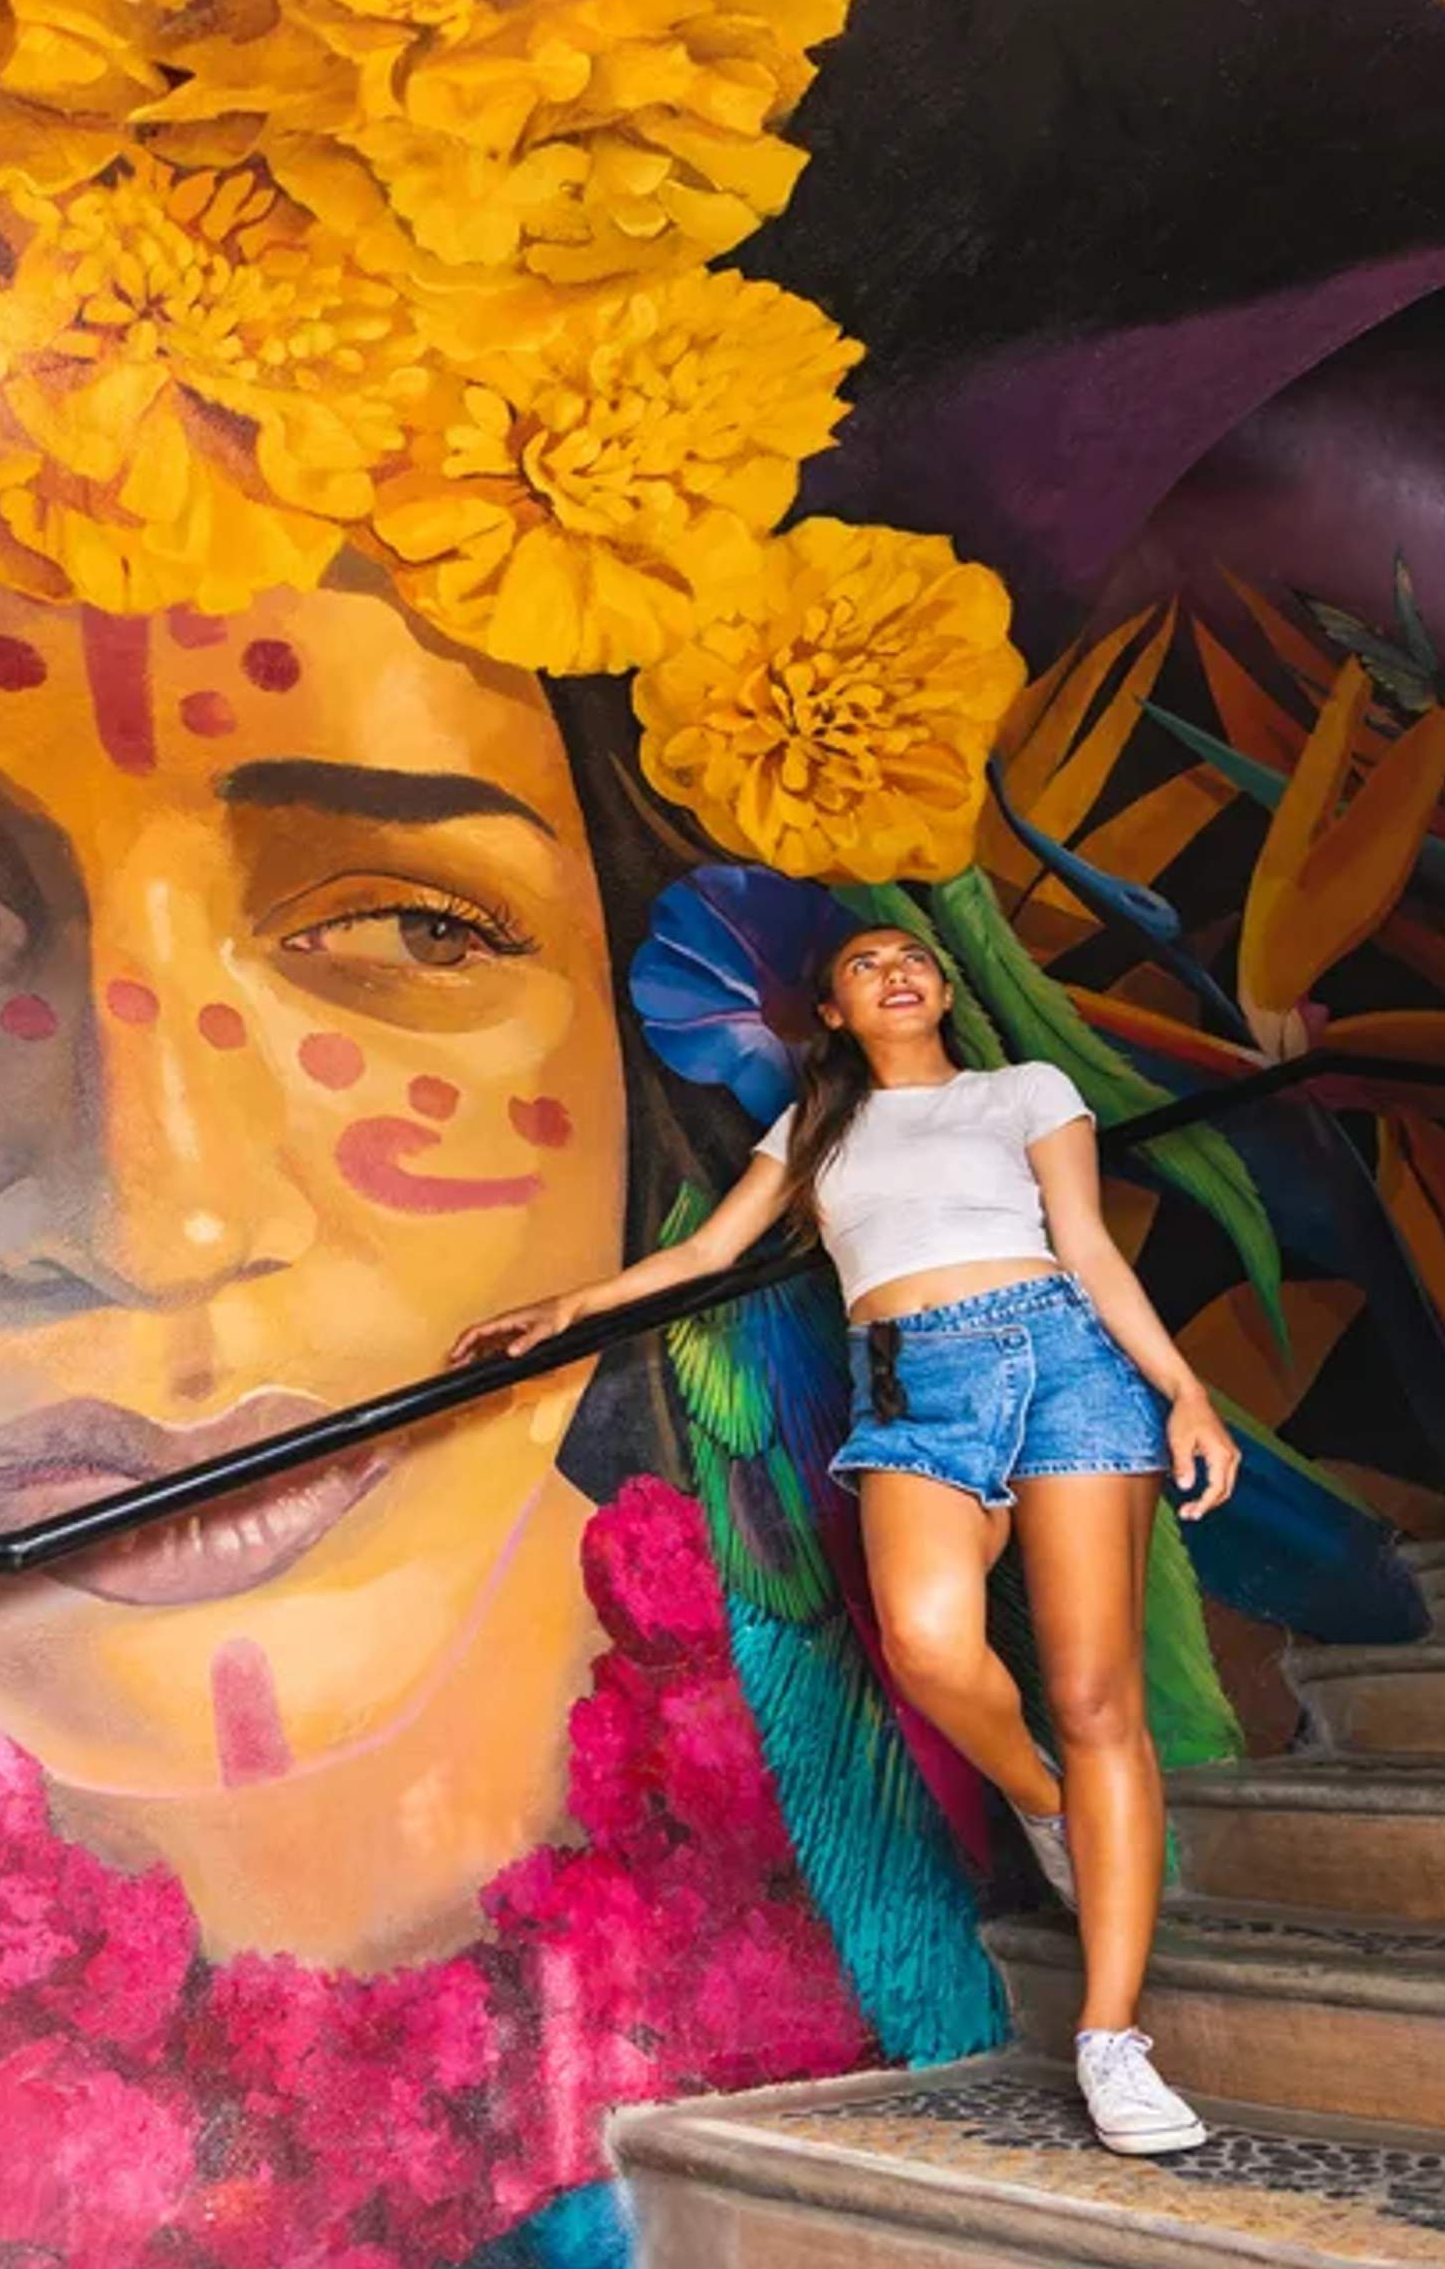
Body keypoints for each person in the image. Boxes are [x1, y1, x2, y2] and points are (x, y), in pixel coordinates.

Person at [459, 919, 1239, 2156]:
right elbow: (712, 1252)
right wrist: (575, 1303)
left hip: (1065, 1364)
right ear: (829, 1012)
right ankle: (1048, 1802)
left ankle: (1112, 2038)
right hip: (911, 1384)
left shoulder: (1022, 1090)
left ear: (942, 987)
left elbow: (1087, 1246)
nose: (897, 970)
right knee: (929, 1647)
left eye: (913, 957)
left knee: (1100, 1700)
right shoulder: (816, 1133)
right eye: (867, 963)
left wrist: (1184, 1389)